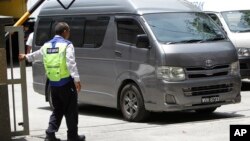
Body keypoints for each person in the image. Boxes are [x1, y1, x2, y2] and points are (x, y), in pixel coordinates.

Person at [19, 22, 85, 141]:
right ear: (64, 31)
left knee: (58, 110)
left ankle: (50, 134)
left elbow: (36, 55)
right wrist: (77, 80)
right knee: (71, 111)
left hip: (53, 84)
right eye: (68, 31)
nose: (69, 33)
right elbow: (71, 63)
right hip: (66, 83)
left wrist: (26, 57)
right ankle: (72, 136)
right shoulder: (67, 45)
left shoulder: (47, 45)